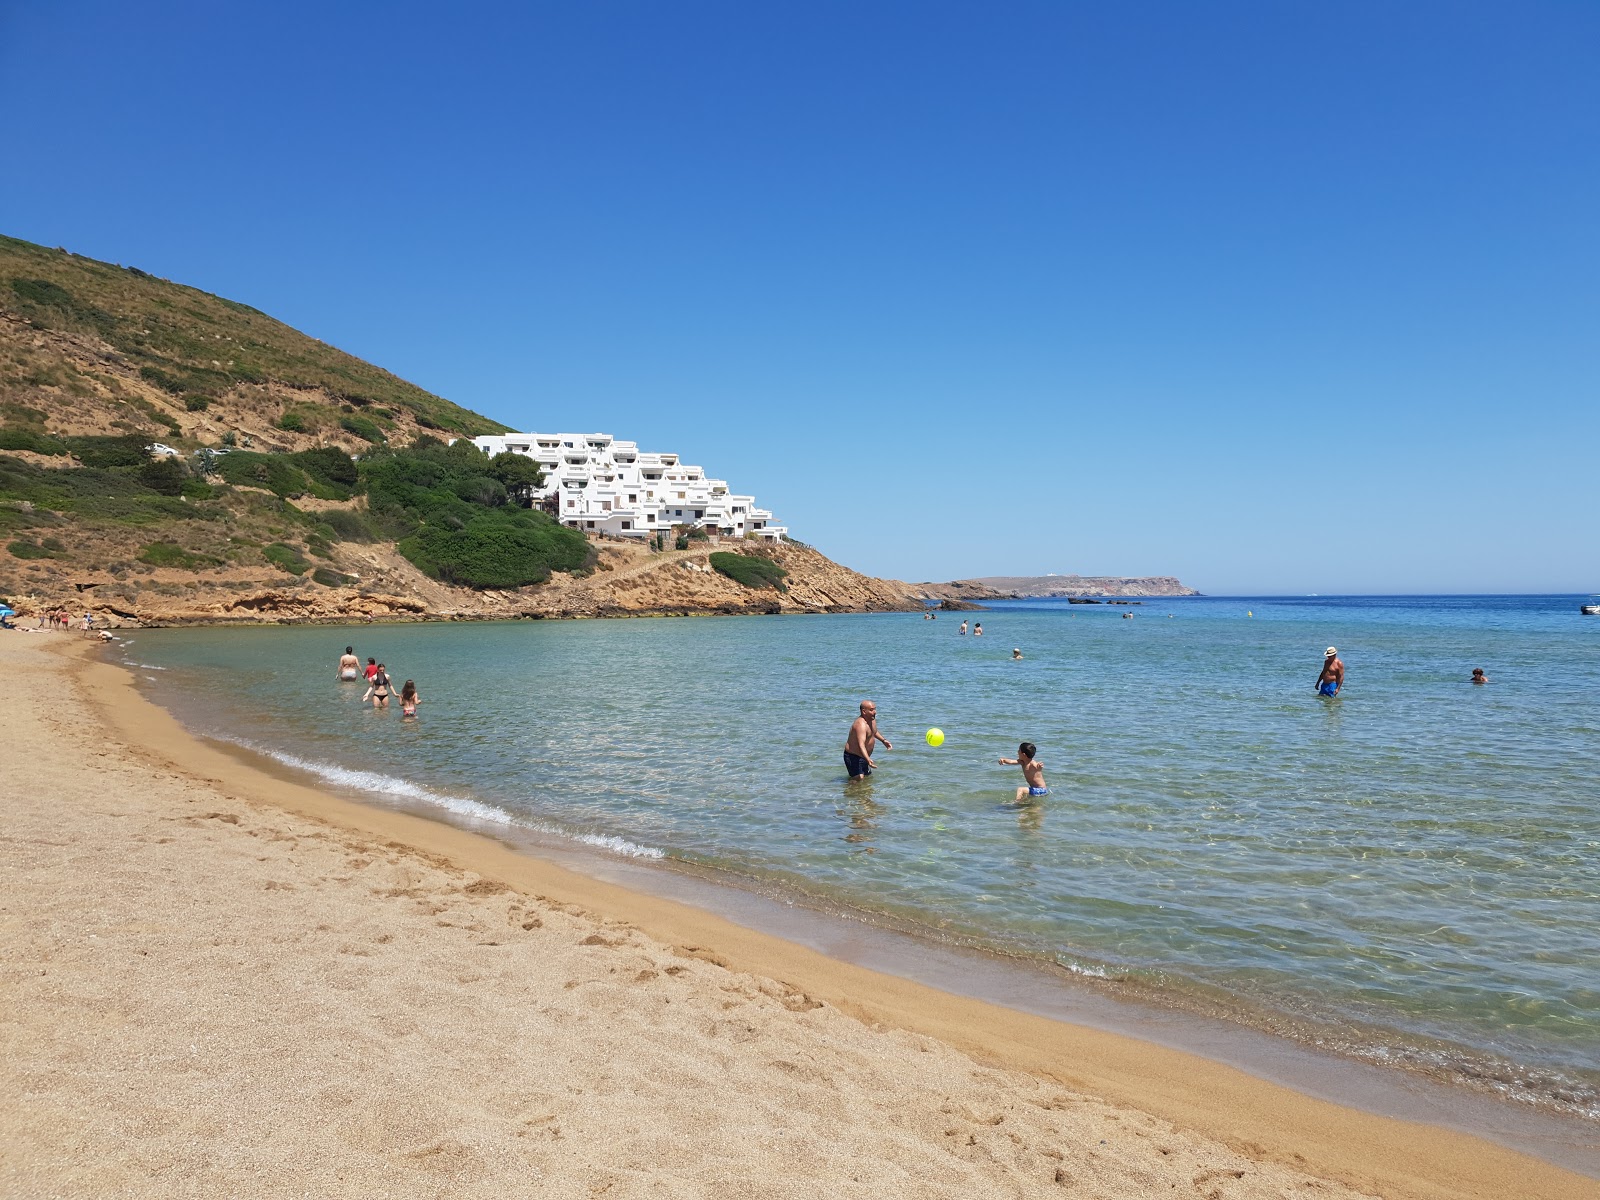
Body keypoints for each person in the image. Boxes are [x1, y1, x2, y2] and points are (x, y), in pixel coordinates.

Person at [844, 700, 891, 779]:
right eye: (871, 710)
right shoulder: (860, 724)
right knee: (859, 778)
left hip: (864, 756)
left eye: (875, 709)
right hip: (853, 756)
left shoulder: (872, 720)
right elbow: (861, 744)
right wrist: (868, 759)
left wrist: (884, 741)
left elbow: (874, 732)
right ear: (864, 711)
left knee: (867, 778)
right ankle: (849, 790)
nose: (875, 712)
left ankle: (856, 790)